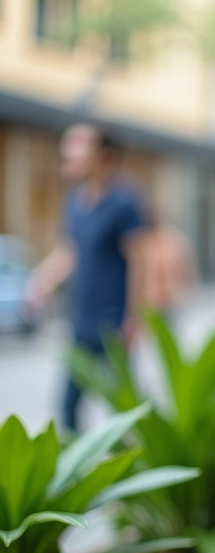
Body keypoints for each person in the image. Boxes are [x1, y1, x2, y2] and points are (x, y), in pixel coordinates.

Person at [26, 122, 144, 433]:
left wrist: (135, 318)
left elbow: (140, 262)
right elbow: (70, 252)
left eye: (78, 146)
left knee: (121, 407)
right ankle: (77, 474)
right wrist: (41, 282)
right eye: (67, 145)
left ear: (105, 157)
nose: (67, 152)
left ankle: (126, 469)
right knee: (68, 405)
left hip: (114, 325)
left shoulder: (124, 203)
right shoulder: (74, 203)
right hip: (81, 322)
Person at [135, 209, 196, 323]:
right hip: (150, 303)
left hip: (171, 301)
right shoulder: (142, 243)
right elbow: (138, 278)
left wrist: (187, 293)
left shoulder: (174, 241)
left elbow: (188, 271)